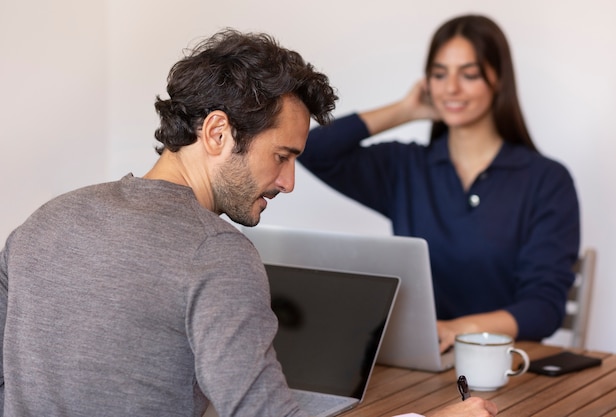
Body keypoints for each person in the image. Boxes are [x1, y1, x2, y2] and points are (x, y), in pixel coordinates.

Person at [0, 29, 497, 417]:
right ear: (217, 132)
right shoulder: (216, 252)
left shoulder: (47, 219)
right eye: (282, 156)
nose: (289, 181)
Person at [298, 14, 580, 353]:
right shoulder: (406, 168)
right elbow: (312, 150)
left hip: (501, 362)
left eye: (469, 74)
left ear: (498, 80)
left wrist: (456, 330)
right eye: (439, 74)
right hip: (423, 362)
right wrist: (405, 110)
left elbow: (544, 309)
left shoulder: (546, 180)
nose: (451, 88)